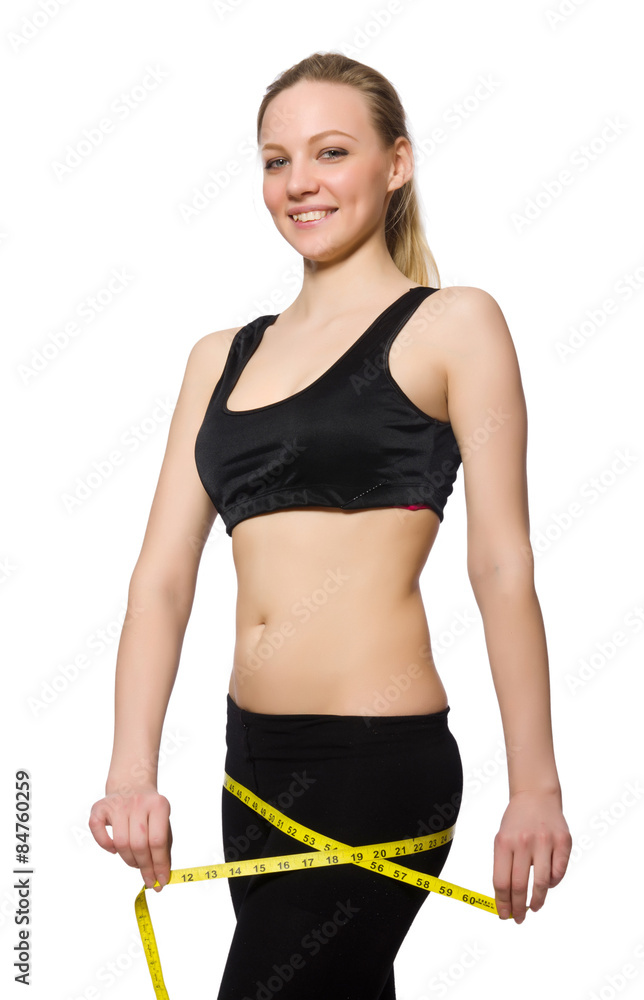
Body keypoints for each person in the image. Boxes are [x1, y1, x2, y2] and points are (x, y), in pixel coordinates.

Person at [89, 51, 572, 999]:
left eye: (332, 151)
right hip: (250, 766)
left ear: (397, 164)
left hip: (376, 763)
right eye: (278, 160)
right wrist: (131, 770)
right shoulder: (220, 357)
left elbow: (501, 566)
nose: (300, 181)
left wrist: (536, 788)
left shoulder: (452, 325)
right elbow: (162, 579)